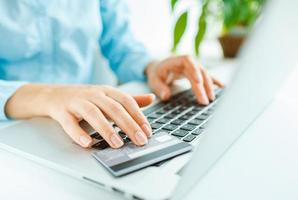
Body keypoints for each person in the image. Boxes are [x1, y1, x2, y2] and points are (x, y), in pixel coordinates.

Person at [0, 0, 223, 149]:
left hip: (85, 125)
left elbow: (121, 45)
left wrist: (151, 67)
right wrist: (49, 96)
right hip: (11, 133)